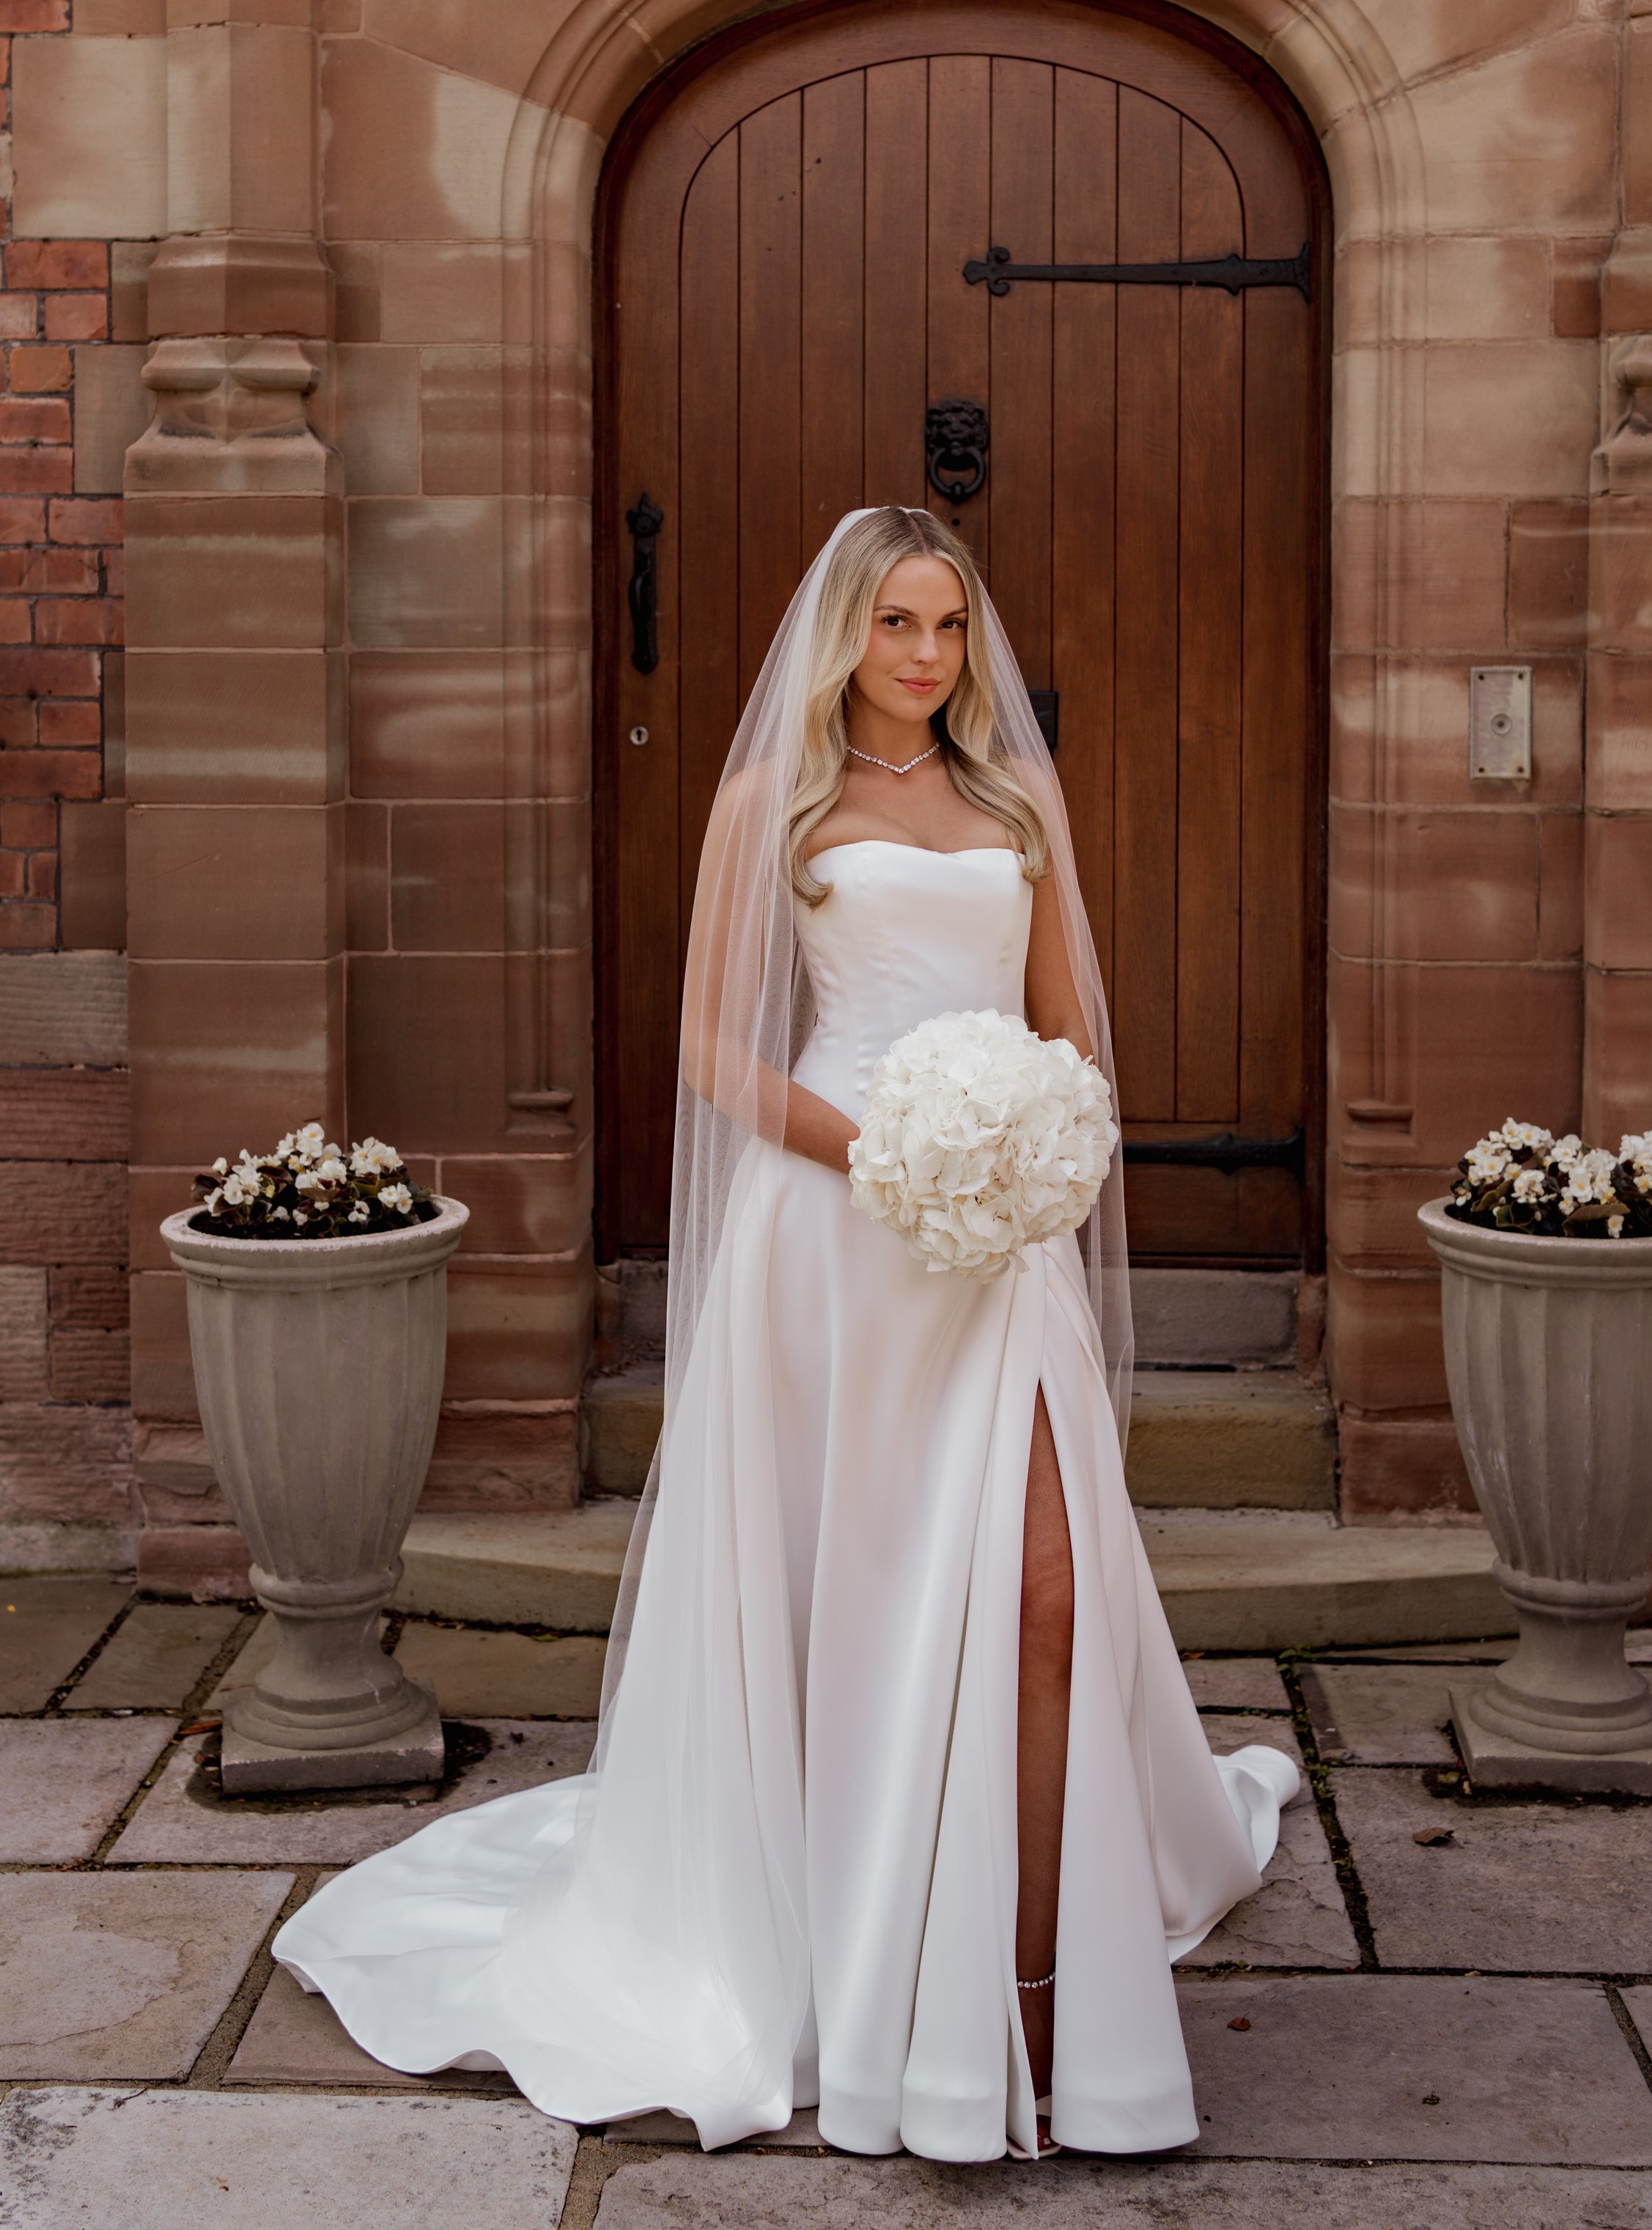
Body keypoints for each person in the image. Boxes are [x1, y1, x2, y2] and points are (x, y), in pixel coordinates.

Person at [274, 504, 1298, 2161]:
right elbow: (711, 1053)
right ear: (845, 635)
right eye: (896, 626)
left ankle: (1032, 1993)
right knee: (852, 1586)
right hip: (833, 1241)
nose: (924, 658)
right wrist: (884, 1156)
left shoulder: (1014, 799)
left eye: (948, 629)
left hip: (992, 1244)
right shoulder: (776, 803)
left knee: (1042, 1595)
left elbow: (1068, 1023)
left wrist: (1031, 1134)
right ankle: (851, 1923)